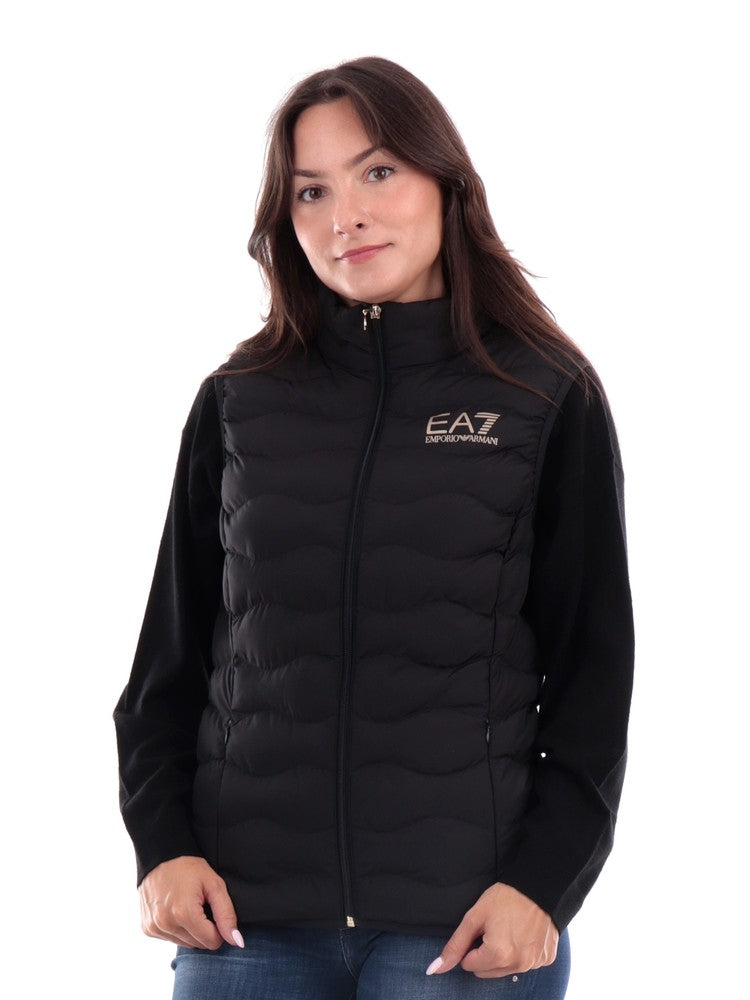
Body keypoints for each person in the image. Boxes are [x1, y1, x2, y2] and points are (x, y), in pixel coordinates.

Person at [113, 56, 634, 1000]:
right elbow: (166, 671)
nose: (344, 215)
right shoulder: (239, 400)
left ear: (447, 182)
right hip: (246, 923)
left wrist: (542, 886)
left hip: (462, 927)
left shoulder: (541, 395)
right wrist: (163, 849)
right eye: (311, 190)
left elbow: (593, 680)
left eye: (378, 171)